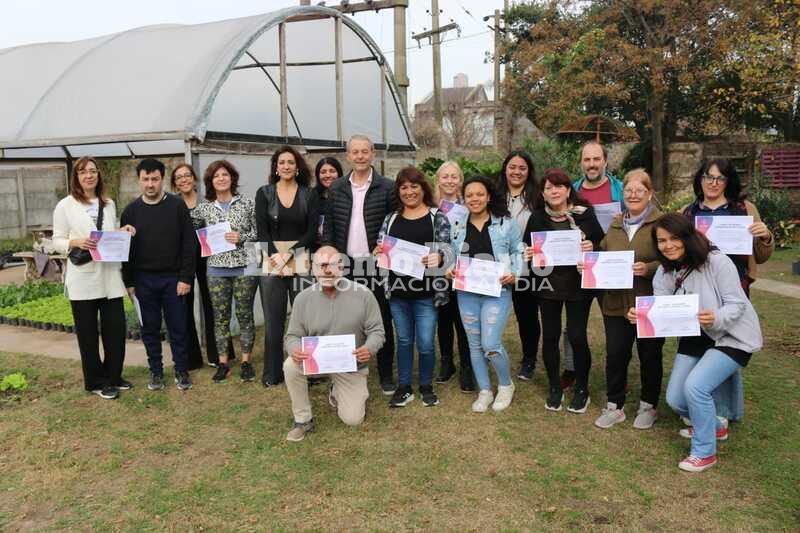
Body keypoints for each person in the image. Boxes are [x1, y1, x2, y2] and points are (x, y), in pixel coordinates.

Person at [626, 213, 762, 472]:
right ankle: (713, 426)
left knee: (696, 387)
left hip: (732, 336)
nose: (668, 245)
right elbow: (662, 308)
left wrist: (716, 317)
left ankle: (704, 452)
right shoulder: (664, 272)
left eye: (674, 238)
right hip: (695, 336)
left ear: (688, 237)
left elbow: (737, 304)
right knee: (676, 399)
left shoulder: (717, 261)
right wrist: (641, 316)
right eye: (662, 241)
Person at [682, 158, 774, 422]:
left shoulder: (744, 209)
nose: (713, 183)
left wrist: (765, 236)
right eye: (708, 177)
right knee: (704, 344)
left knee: (727, 346)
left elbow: (762, 255)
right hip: (700, 289)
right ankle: (706, 405)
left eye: (719, 178)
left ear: (727, 181)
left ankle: (723, 412)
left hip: (734, 289)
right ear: (700, 180)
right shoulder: (689, 213)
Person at [52, 156, 136, 399]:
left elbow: (107, 235)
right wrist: (76, 241)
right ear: (76, 177)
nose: (88, 175)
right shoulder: (65, 205)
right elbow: (56, 241)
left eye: (92, 171)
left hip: (109, 276)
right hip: (83, 279)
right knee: (88, 334)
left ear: (99, 175)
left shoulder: (108, 204)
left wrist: (122, 231)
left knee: (116, 331)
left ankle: (114, 376)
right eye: (83, 172)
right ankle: (96, 382)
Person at [283, 245, 386, 441]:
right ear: (313, 269)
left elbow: (377, 332)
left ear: (342, 267)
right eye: (322, 265)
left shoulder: (363, 294)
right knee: (290, 365)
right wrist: (294, 349)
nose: (327, 270)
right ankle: (303, 420)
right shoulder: (302, 299)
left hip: (351, 365)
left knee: (353, 419)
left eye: (332, 264)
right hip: (315, 362)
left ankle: (336, 389)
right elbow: (293, 335)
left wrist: (369, 348)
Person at [322, 134, 397, 395]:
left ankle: (386, 374)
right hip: (346, 264)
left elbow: (395, 223)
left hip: (375, 265)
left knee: (381, 319)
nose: (360, 156)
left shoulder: (387, 187)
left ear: (372, 154)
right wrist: (330, 255)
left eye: (365, 151)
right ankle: (345, 373)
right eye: (355, 152)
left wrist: (385, 248)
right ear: (348, 156)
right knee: (344, 321)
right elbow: (329, 227)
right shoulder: (337, 188)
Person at [523, 168, 603, 413]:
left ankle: (582, 388)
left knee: (577, 335)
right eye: (548, 188)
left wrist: (592, 246)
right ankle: (554, 386)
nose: (554, 191)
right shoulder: (537, 217)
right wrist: (528, 253)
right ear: (543, 193)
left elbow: (601, 243)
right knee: (550, 336)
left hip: (578, 285)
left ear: (568, 190)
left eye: (559, 186)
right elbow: (526, 247)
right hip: (548, 285)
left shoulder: (584, 214)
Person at [592, 169, 664, 429]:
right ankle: (615, 405)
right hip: (615, 302)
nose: (634, 195)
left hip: (648, 302)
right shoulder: (615, 225)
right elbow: (602, 254)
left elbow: (673, 256)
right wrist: (588, 264)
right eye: (629, 191)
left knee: (650, 355)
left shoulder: (661, 223)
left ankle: (648, 405)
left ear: (649, 194)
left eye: (639, 190)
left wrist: (650, 268)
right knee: (615, 354)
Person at [376, 166, 452, 408]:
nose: (409, 192)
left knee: (426, 343)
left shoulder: (436, 216)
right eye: (404, 187)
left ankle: (426, 386)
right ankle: (404, 387)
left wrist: (440, 256)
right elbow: (380, 245)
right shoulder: (391, 218)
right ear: (398, 191)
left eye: (414, 186)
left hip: (427, 294)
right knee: (404, 340)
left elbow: (449, 250)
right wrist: (378, 251)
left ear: (423, 188)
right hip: (398, 293)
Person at [448, 176, 523, 413]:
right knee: (474, 344)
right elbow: (450, 254)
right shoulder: (457, 226)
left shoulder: (506, 224)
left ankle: (505, 385)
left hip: (497, 291)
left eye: (479, 194)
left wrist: (515, 273)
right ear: (464, 199)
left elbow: (518, 251)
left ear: (489, 196)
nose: (474, 199)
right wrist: (449, 268)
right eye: (469, 195)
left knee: (490, 343)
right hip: (467, 293)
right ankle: (485, 390)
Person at [121, 158, 195, 391]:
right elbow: (125, 251)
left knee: (178, 328)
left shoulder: (177, 206)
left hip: (173, 279)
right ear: (139, 180)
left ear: (162, 179)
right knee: (149, 329)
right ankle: (156, 371)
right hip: (143, 281)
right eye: (146, 179)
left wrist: (185, 278)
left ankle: (181, 370)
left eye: (154, 179)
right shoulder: (130, 211)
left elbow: (189, 244)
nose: (150, 184)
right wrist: (129, 282)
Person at [558, 140, 623, 390]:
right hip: (580, 269)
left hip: (611, 266)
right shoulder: (571, 191)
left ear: (605, 161)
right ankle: (571, 368)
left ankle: (617, 375)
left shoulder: (620, 190)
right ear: (581, 163)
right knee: (573, 326)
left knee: (614, 324)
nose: (592, 164)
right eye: (587, 159)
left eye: (597, 159)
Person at [255, 146, 320, 387]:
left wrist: (289, 255)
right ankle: (272, 374)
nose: (286, 166)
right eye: (281, 162)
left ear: (297, 167)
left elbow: (311, 232)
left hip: (301, 259)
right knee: (274, 321)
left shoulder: (309, 194)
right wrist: (276, 256)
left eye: (290, 162)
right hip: (271, 260)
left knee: (305, 319)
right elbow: (261, 230)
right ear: (276, 167)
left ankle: (309, 371)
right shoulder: (264, 193)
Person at [192, 160, 258, 383]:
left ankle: (246, 362)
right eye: (216, 176)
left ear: (232, 178)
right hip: (216, 269)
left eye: (224, 174)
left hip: (245, 267)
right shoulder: (203, 208)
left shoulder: (247, 203)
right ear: (210, 181)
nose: (221, 178)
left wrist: (242, 237)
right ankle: (223, 364)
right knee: (220, 318)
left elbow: (258, 232)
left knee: (245, 315)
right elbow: (187, 229)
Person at [171, 163, 235, 369]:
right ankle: (191, 358)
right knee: (184, 306)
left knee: (213, 304)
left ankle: (219, 354)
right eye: (179, 177)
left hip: (208, 258)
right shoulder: (172, 205)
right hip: (183, 261)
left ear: (194, 178)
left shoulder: (208, 201)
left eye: (187, 175)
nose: (184, 179)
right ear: (174, 183)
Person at [496, 150, 541, 381]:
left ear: (529, 171)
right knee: (492, 311)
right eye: (512, 167)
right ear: (505, 168)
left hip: (526, 264)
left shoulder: (537, 197)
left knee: (527, 314)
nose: (517, 172)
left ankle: (529, 359)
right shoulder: (494, 194)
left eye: (522, 168)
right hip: (496, 263)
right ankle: (488, 351)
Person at [433, 161, 473, 392]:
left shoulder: (469, 205)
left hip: (463, 269)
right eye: (445, 176)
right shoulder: (430, 206)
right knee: (444, 317)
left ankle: (467, 366)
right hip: (437, 269)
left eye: (454, 176)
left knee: (463, 318)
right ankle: (447, 362)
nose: (449, 180)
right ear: (438, 180)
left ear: (460, 180)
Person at [313, 157, 344, 250]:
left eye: (332, 171)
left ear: (339, 173)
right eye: (323, 172)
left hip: (341, 248)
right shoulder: (311, 196)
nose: (328, 175)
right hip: (316, 248)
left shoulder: (347, 195)